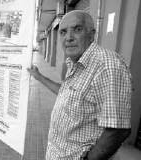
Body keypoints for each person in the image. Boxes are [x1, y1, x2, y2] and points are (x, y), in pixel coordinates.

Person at [28, 10, 132, 160]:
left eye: (77, 29)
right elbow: (67, 93)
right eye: (63, 32)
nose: (69, 38)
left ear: (91, 34)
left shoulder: (108, 66)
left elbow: (117, 130)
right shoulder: (75, 62)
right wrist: (39, 76)